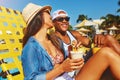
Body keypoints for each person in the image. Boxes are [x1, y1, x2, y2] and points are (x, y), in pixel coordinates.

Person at [21, 3, 120, 80]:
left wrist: (72, 57)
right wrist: (62, 68)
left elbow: (62, 63)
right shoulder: (30, 47)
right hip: (66, 77)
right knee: (106, 53)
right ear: (38, 18)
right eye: (46, 12)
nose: (49, 13)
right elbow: (31, 78)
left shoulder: (52, 39)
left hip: (70, 76)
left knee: (107, 55)